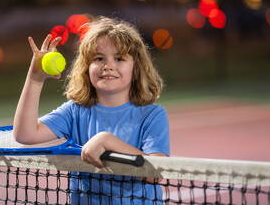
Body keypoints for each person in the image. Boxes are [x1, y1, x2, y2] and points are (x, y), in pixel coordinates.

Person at [13, 16, 170, 204]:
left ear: (136, 68)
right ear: (87, 67)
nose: (108, 66)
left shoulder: (153, 115)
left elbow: (155, 173)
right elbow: (25, 134)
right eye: (99, 58)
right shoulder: (75, 112)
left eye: (119, 58)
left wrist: (106, 140)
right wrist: (35, 79)